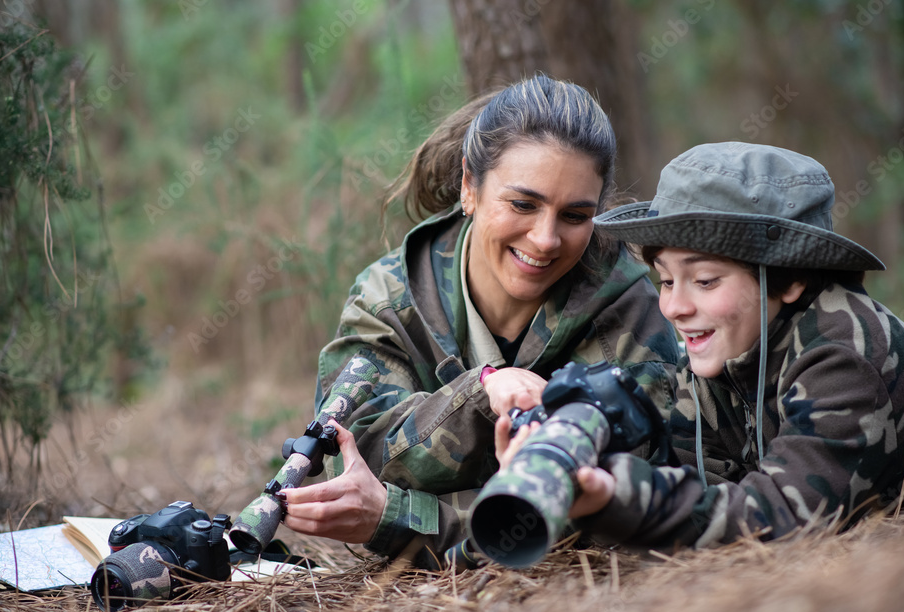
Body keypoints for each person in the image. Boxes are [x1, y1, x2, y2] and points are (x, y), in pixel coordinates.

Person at [275, 75, 680, 567]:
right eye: (523, 205)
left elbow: (609, 509)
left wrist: (400, 517)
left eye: (575, 216)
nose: (546, 238)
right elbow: (361, 454)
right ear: (469, 186)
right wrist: (482, 392)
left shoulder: (631, 310)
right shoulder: (390, 299)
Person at [502, 141, 904, 549]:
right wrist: (562, 465)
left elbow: (783, 516)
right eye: (665, 280)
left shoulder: (843, 354)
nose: (674, 307)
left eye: (704, 280)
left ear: (791, 278)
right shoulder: (719, 353)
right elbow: (691, 478)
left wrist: (618, 495)